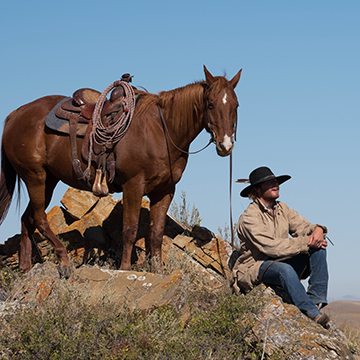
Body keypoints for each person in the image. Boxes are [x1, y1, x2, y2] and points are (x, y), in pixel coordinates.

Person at [231, 166, 330, 328]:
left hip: (281, 260)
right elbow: (270, 247)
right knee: (284, 269)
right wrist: (306, 242)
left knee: (319, 247)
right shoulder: (249, 217)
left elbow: (303, 226)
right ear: (257, 189)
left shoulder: (282, 208)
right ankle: (311, 312)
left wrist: (318, 230)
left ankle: (315, 300)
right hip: (256, 267)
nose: (275, 184)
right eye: (269, 183)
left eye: (275, 181)